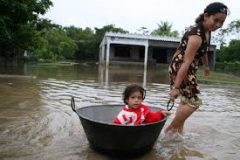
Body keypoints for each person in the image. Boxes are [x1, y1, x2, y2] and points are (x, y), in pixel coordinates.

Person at [165, 2, 229, 134]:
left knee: (185, 101)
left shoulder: (207, 30)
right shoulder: (196, 36)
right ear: (206, 16)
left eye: (221, 22)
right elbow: (186, 63)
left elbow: (204, 51)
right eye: (215, 20)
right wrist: (176, 87)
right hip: (181, 67)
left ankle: (178, 132)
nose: (218, 25)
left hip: (187, 67)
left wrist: (206, 66)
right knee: (194, 102)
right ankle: (170, 129)